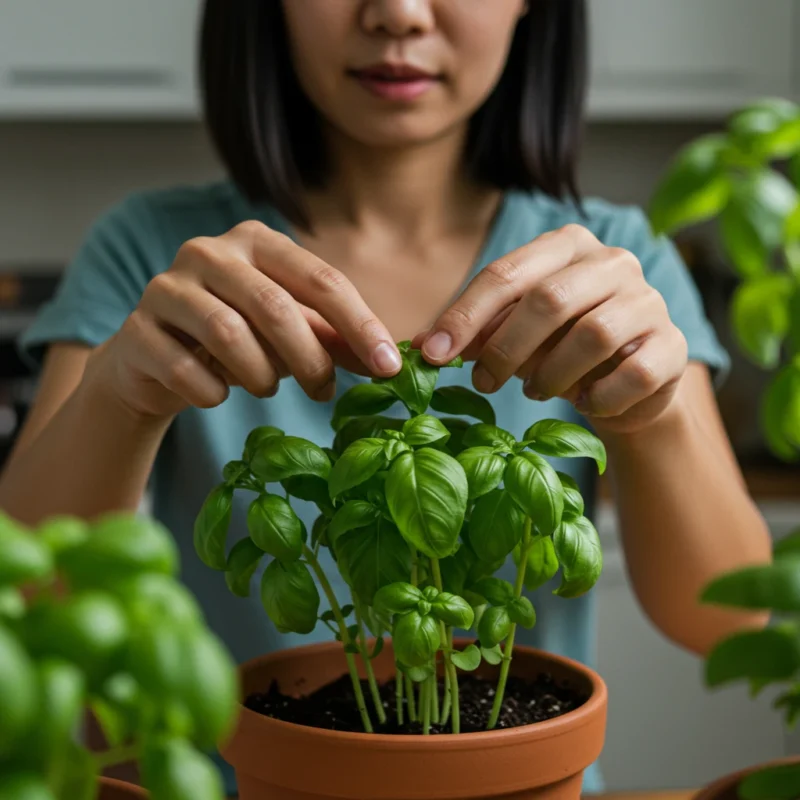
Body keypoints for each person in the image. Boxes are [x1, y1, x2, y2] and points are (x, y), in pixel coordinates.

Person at [1, 0, 770, 794]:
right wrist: (119, 397)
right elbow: (26, 593)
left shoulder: (609, 264)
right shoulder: (155, 255)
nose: (398, 12)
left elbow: (728, 618)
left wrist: (657, 410)